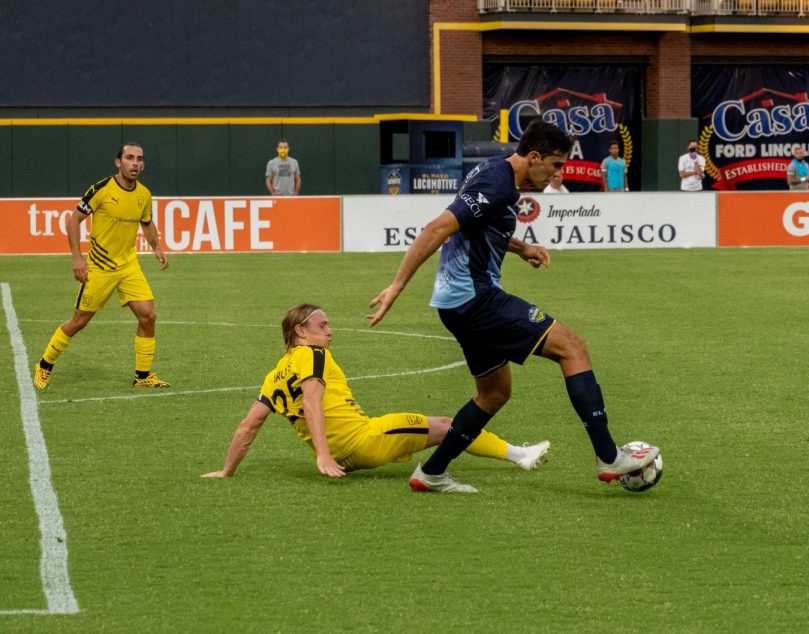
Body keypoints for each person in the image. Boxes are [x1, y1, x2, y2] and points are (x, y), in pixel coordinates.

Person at [367, 120, 659, 494]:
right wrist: (397, 285)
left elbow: (481, 224)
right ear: (534, 157)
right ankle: (609, 456)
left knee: (494, 394)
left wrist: (523, 249)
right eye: (555, 165)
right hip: (476, 299)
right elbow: (434, 229)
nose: (558, 175)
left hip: (456, 303)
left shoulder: (496, 173)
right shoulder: (498, 182)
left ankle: (432, 473)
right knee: (573, 348)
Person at [202, 304, 550, 480]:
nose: (330, 331)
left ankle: (512, 454)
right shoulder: (313, 355)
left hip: (344, 456)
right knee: (446, 424)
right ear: (301, 331)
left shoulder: (274, 375)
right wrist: (322, 455)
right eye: (322, 326)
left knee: (440, 427)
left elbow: (249, 427)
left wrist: (227, 471)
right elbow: (312, 401)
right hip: (362, 441)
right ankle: (520, 455)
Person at [33, 143, 170, 390]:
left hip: (129, 265)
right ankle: (45, 364)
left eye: (139, 159)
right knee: (79, 321)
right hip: (99, 267)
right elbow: (74, 221)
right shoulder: (101, 190)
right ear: (118, 162)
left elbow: (147, 222)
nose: (135, 163)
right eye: (129, 158)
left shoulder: (144, 194)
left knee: (148, 315)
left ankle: (142, 376)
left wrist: (156, 247)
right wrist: (77, 258)